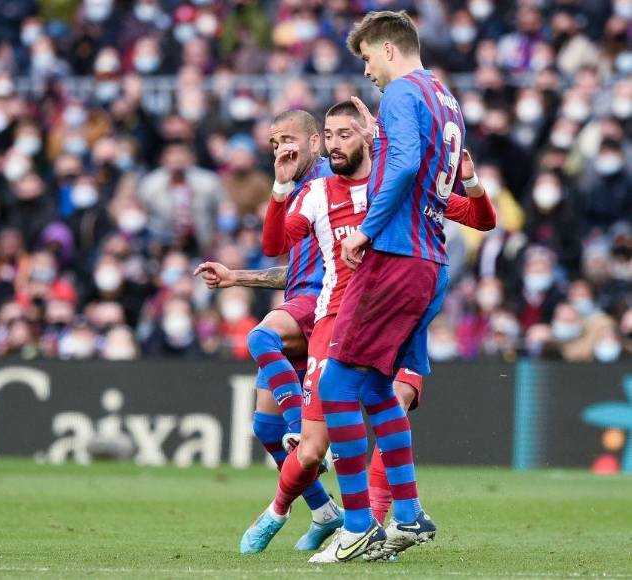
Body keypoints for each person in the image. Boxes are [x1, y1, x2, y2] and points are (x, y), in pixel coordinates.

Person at [202, 100, 494, 558]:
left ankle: (371, 525)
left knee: (391, 397)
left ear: (368, 137)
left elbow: (481, 219)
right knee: (315, 442)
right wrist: (279, 187)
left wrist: (471, 181)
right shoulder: (317, 194)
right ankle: (305, 513)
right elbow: (274, 244)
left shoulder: (399, 186)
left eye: (344, 134)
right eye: (330, 135)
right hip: (336, 316)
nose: (335, 143)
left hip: (396, 308)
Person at [311, 11, 470, 563]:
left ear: (387, 49)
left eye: (366, 58)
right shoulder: (445, 98)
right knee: (379, 389)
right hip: (429, 262)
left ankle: (358, 525)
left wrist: (366, 230)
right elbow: (418, 164)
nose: (366, 71)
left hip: (395, 257)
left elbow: (403, 166)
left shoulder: (403, 91)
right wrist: (378, 134)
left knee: (336, 385)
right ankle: (408, 514)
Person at [196, 109, 343, 553]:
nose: (281, 148)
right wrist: (235, 277)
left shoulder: (332, 180)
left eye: (289, 139)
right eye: (275, 142)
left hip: (325, 303)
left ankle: (302, 430)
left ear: (315, 142)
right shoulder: (293, 191)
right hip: (300, 299)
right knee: (263, 426)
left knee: (261, 337)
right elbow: (289, 270)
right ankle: (324, 511)